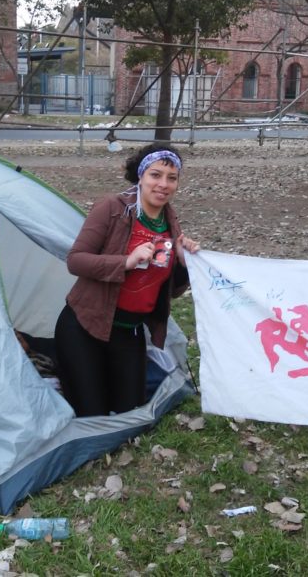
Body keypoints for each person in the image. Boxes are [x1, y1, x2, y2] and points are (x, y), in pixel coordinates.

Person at [54, 144, 199, 417]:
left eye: (172, 177)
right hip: (85, 326)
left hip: (129, 333)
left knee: (129, 413)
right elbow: (76, 260)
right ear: (141, 176)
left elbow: (173, 291)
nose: (163, 184)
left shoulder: (170, 222)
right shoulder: (112, 208)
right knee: (92, 415)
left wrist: (183, 262)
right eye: (155, 175)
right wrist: (126, 262)